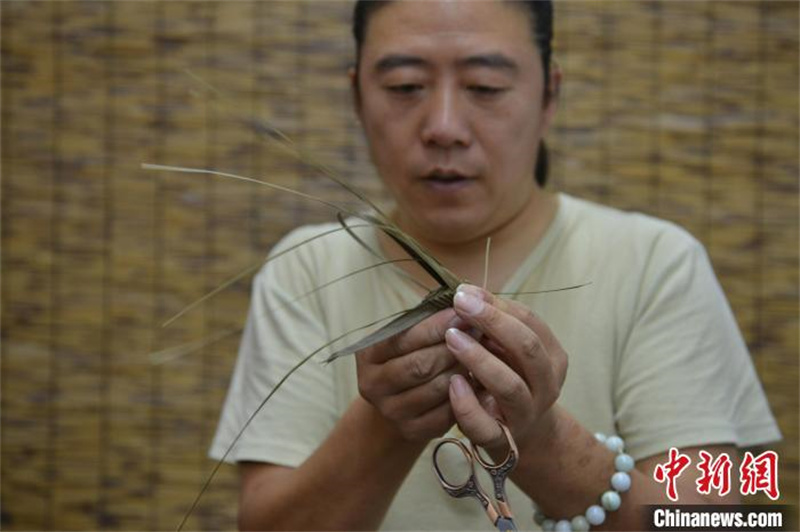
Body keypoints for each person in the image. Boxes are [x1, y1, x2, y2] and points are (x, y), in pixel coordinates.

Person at [210, 1, 781, 530]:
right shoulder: (306, 269)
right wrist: (387, 421)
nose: (444, 127)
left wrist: (543, 440)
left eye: (486, 86)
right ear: (357, 96)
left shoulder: (657, 263)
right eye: (404, 86)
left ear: (548, 95)